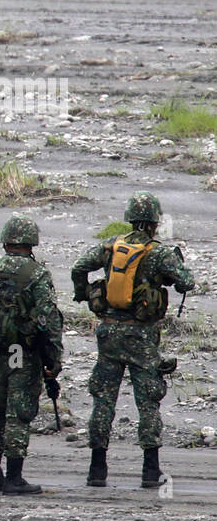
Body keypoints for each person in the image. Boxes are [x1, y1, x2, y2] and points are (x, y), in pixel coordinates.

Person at [71, 191, 195, 488]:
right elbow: (187, 282)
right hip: (141, 336)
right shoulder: (159, 252)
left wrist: (84, 294)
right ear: (154, 222)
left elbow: (78, 267)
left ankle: (96, 470)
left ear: (129, 218)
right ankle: (150, 470)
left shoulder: (111, 247)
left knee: (103, 399)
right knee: (148, 401)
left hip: (109, 332)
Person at [0, 214, 63, 496]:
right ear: (31, 240)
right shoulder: (37, 274)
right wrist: (53, 360)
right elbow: (49, 319)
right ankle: (14, 478)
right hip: (23, 354)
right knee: (18, 414)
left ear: (7, 240)